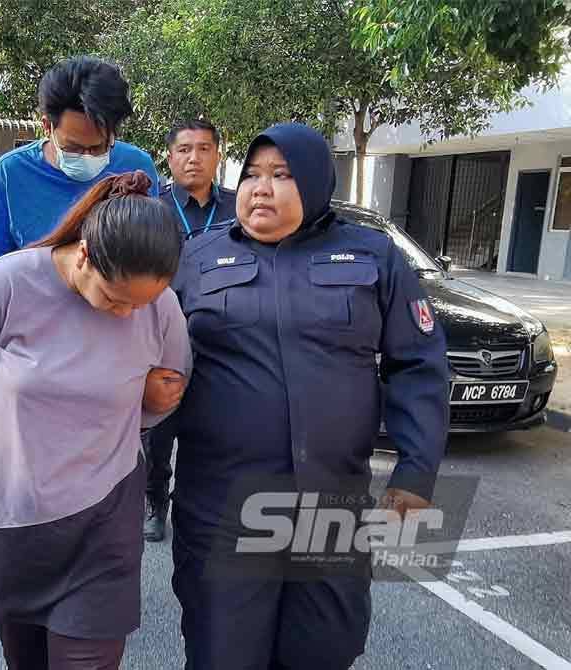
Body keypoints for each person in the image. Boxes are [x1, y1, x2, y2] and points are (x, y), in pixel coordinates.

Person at [169, 122, 450, 670]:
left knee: (324, 649)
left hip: (331, 504)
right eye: (251, 175)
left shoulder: (371, 255)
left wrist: (416, 473)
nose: (260, 188)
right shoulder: (197, 258)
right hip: (224, 508)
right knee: (223, 654)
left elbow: (418, 363)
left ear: (318, 182)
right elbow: (150, 361)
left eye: (280, 175)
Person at [0, 170, 191, 670]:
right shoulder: (8, 281)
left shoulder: (160, 309)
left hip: (104, 520)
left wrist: (149, 402)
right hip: (12, 515)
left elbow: (166, 391)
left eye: (143, 303)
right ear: (85, 254)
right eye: (115, 299)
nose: (128, 316)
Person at [0, 56, 159, 280]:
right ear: (47, 126)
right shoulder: (10, 173)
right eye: (74, 148)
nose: (87, 156)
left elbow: (149, 262)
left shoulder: (137, 168)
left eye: (99, 147)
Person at [145, 119, 237, 543]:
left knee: (216, 432)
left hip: (223, 341)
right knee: (160, 431)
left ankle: (205, 508)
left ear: (218, 155)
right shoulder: (152, 206)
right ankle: (154, 504)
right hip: (162, 340)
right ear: (170, 157)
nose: (193, 158)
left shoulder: (239, 208)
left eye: (203, 149)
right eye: (184, 150)